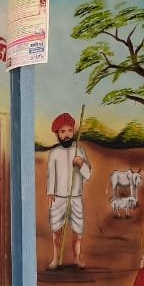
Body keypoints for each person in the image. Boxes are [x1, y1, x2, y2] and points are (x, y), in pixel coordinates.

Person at [46, 112, 92, 269]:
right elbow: (51, 175)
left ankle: (77, 258)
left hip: (76, 197)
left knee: (78, 231)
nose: (67, 135)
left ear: (74, 132)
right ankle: (55, 258)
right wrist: (50, 193)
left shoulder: (80, 150)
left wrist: (81, 163)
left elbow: (88, 175)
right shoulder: (54, 153)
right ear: (57, 134)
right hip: (58, 197)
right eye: (62, 131)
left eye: (70, 131)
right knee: (56, 230)